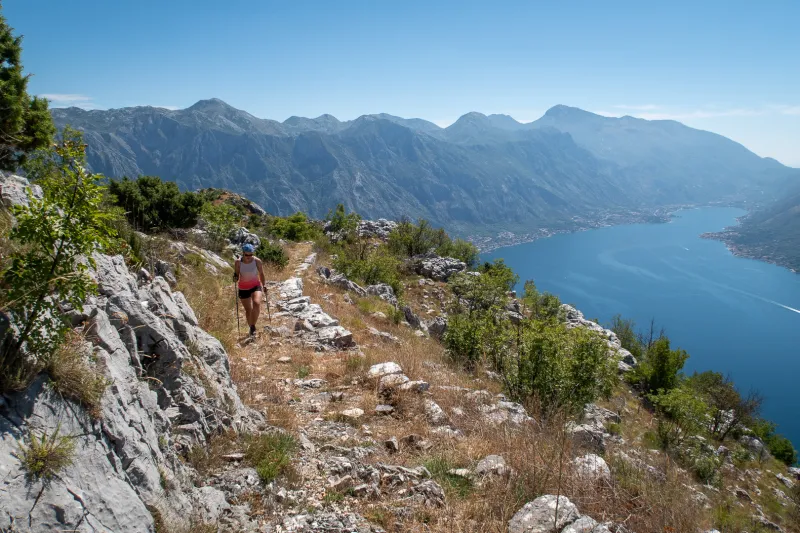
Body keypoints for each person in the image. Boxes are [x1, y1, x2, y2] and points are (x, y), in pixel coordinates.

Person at [233, 243, 266, 337]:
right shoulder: (238, 262)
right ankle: (251, 328)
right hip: (243, 288)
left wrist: (264, 285)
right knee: (248, 310)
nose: (248, 257)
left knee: (257, 303)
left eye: (250, 254)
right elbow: (237, 274)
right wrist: (235, 277)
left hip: (255, 285)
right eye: (246, 255)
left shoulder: (257, 261)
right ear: (243, 253)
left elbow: (262, 274)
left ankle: (252, 326)